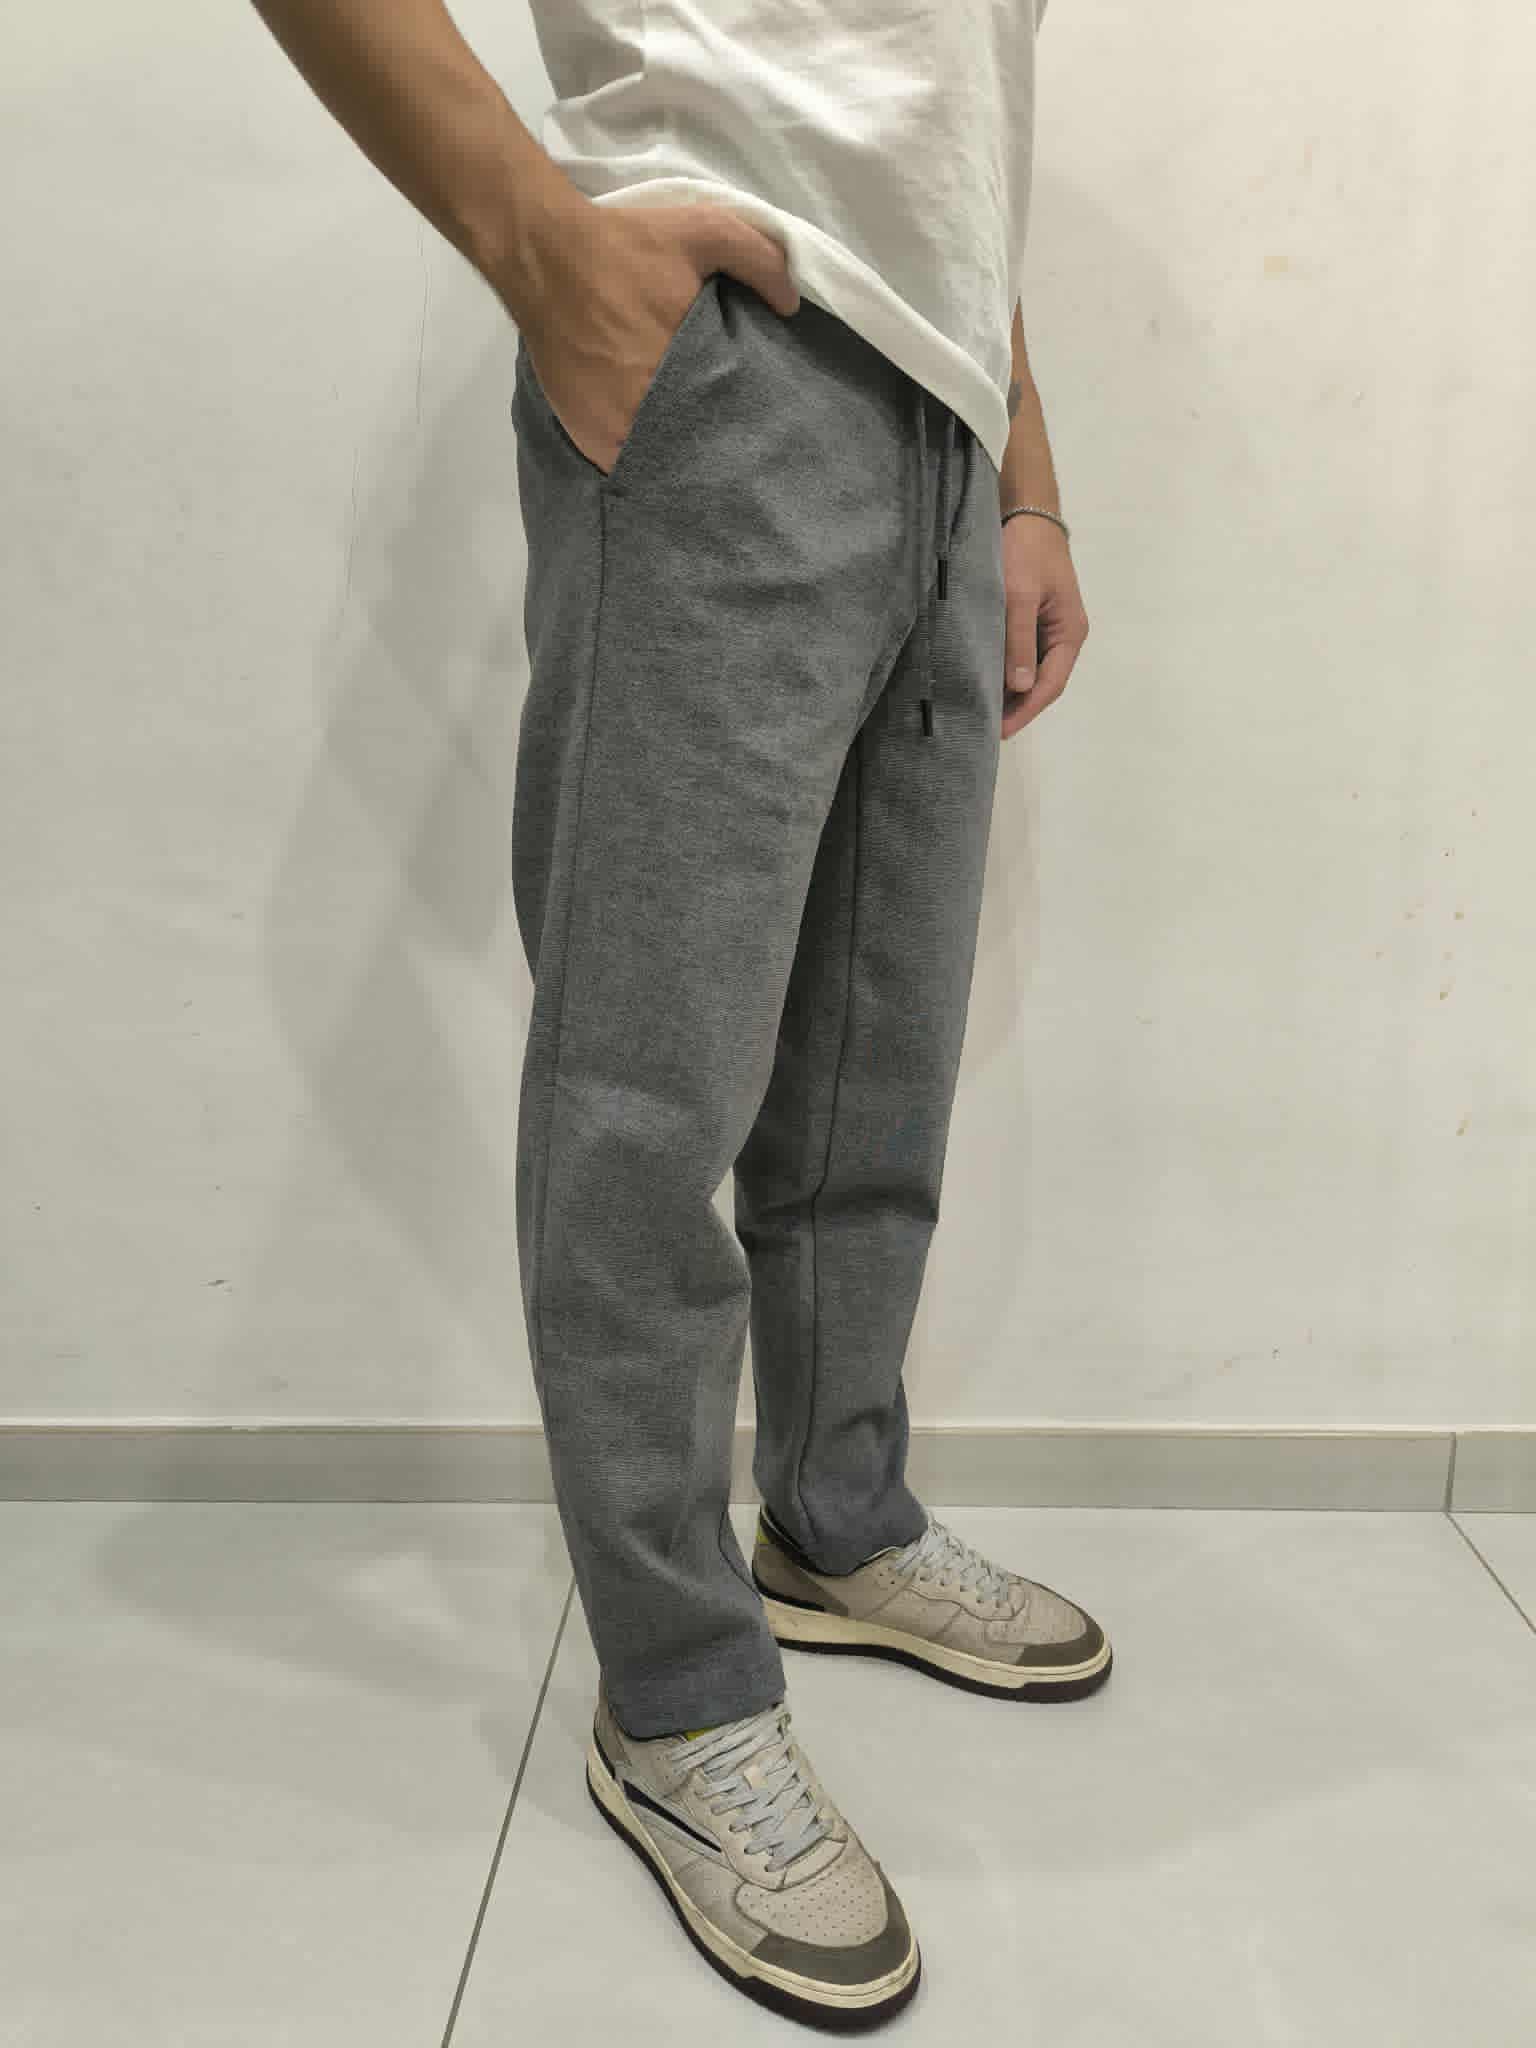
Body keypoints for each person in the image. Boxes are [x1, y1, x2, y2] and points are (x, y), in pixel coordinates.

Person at [250, 0, 1104, 2027]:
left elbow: (946, 130)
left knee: (873, 1072)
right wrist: (550, 255)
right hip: (727, 368)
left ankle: (837, 1518)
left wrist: (1026, 475)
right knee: (650, 1090)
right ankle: (678, 1693)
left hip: (945, 422)